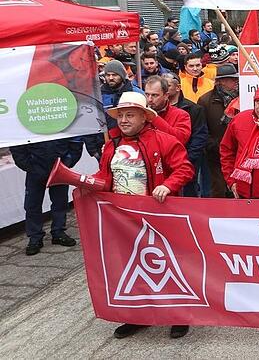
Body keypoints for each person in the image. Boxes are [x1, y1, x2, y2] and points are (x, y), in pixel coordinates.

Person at [97, 91, 194, 340]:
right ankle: (137, 316)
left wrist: (168, 185)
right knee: (131, 266)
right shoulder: (112, 145)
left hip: (159, 216)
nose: (124, 120)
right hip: (123, 219)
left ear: (144, 117)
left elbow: (184, 169)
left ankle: (179, 315)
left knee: (169, 265)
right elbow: (105, 178)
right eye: (120, 115)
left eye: (130, 115)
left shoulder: (164, 140)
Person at [11, 137, 83, 255]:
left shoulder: (61, 119)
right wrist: (30, 165)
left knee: (60, 202)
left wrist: (67, 162)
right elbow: (17, 145)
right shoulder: (27, 121)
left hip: (60, 167)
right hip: (35, 170)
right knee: (32, 205)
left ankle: (58, 232)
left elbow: (75, 139)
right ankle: (35, 238)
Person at [197, 64, 239, 198]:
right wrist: (214, 146)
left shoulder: (243, 98)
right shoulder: (205, 101)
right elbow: (202, 129)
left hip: (240, 154)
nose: (235, 82)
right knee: (218, 191)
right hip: (215, 156)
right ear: (221, 81)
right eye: (232, 79)